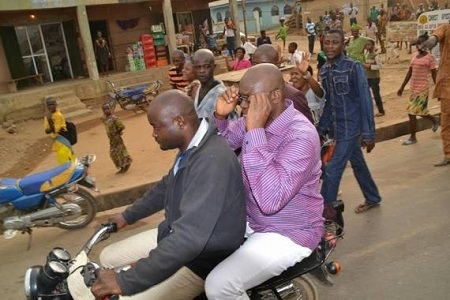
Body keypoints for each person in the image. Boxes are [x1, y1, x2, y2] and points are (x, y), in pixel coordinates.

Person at [91, 90, 246, 299]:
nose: (153, 134)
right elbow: (166, 186)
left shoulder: (212, 161)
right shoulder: (191, 148)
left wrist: (125, 281)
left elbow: (189, 239)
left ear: (179, 122)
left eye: (156, 127)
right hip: (174, 235)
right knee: (107, 257)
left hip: (201, 260)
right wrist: (126, 216)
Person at [205, 63, 324, 300]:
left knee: (219, 286)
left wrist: (255, 132)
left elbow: (270, 200)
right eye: (242, 99)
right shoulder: (256, 121)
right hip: (252, 219)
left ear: (275, 96)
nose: (243, 106)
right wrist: (220, 116)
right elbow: (221, 147)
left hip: (288, 232)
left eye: (249, 100)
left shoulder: (300, 135)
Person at [318, 29, 382, 214]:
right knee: (358, 163)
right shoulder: (325, 70)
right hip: (337, 127)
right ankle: (373, 197)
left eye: (335, 42)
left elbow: (365, 100)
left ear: (343, 45)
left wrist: (369, 133)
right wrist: (322, 128)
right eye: (327, 42)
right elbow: (329, 102)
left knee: (331, 171)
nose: (330, 46)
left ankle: (323, 214)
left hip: (351, 128)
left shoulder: (353, 67)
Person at [252, 44, 314, 124]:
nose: (258, 69)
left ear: (277, 65)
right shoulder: (252, 93)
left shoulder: (292, 96)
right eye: (255, 64)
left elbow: (307, 129)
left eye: (264, 65)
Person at [397, 34, 439, 146]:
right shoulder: (414, 56)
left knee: (413, 112)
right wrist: (402, 87)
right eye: (417, 44)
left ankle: (413, 137)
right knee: (415, 112)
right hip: (413, 88)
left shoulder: (430, 57)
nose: (417, 47)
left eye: (419, 44)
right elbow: (410, 72)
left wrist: (438, 89)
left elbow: (434, 75)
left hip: (423, 88)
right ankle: (433, 119)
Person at [422, 22, 450, 166]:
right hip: (447, 86)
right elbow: (436, 35)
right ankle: (448, 154)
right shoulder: (446, 27)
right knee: (446, 122)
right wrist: (432, 40)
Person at [192, 49, 237, 120]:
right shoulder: (200, 87)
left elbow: (232, 125)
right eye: (198, 67)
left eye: (206, 66)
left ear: (214, 67)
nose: (202, 71)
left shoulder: (222, 95)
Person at [290, 53, 326, 125]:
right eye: (292, 74)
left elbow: (320, 93)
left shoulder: (314, 90)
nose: (293, 77)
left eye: (296, 74)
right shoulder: (291, 92)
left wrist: (306, 73)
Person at [101, 102, 132, 174]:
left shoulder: (114, 118)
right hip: (111, 139)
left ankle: (126, 164)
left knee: (119, 152)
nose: (106, 111)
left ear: (111, 109)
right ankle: (122, 166)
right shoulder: (104, 118)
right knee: (115, 154)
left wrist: (117, 132)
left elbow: (122, 126)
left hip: (116, 138)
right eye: (104, 109)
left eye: (107, 108)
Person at [44, 97, 74, 164]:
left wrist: (50, 120)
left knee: (67, 158)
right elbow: (46, 131)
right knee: (62, 159)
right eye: (49, 105)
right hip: (57, 141)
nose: (51, 106)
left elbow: (55, 130)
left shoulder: (58, 115)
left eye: (53, 104)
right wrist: (50, 123)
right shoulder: (47, 116)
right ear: (46, 106)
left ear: (56, 105)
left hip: (63, 138)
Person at [363, 39, 385, 117]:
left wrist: (370, 66)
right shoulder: (366, 55)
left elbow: (381, 66)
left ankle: (381, 111)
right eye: (366, 45)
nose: (367, 46)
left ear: (372, 45)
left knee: (376, 94)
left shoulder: (376, 55)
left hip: (374, 77)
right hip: (367, 77)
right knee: (365, 94)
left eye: (369, 45)